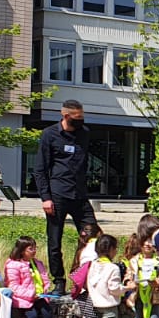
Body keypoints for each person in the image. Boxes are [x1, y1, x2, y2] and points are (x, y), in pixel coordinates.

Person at [34, 100, 98, 284]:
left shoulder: (84, 134)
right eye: (77, 118)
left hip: (79, 195)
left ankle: (81, 276)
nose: (81, 121)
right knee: (55, 241)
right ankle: (59, 280)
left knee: (91, 234)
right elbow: (40, 169)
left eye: (82, 117)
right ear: (66, 116)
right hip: (57, 196)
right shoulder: (50, 135)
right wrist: (45, 197)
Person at [5, 236, 54, 318]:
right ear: (22, 250)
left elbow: (44, 278)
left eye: (35, 248)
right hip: (22, 299)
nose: (34, 251)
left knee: (48, 313)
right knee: (32, 316)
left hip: (39, 297)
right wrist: (31, 294)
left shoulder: (37, 263)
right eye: (30, 249)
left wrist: (45, 289)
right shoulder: (13, 265)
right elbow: (13, 286)